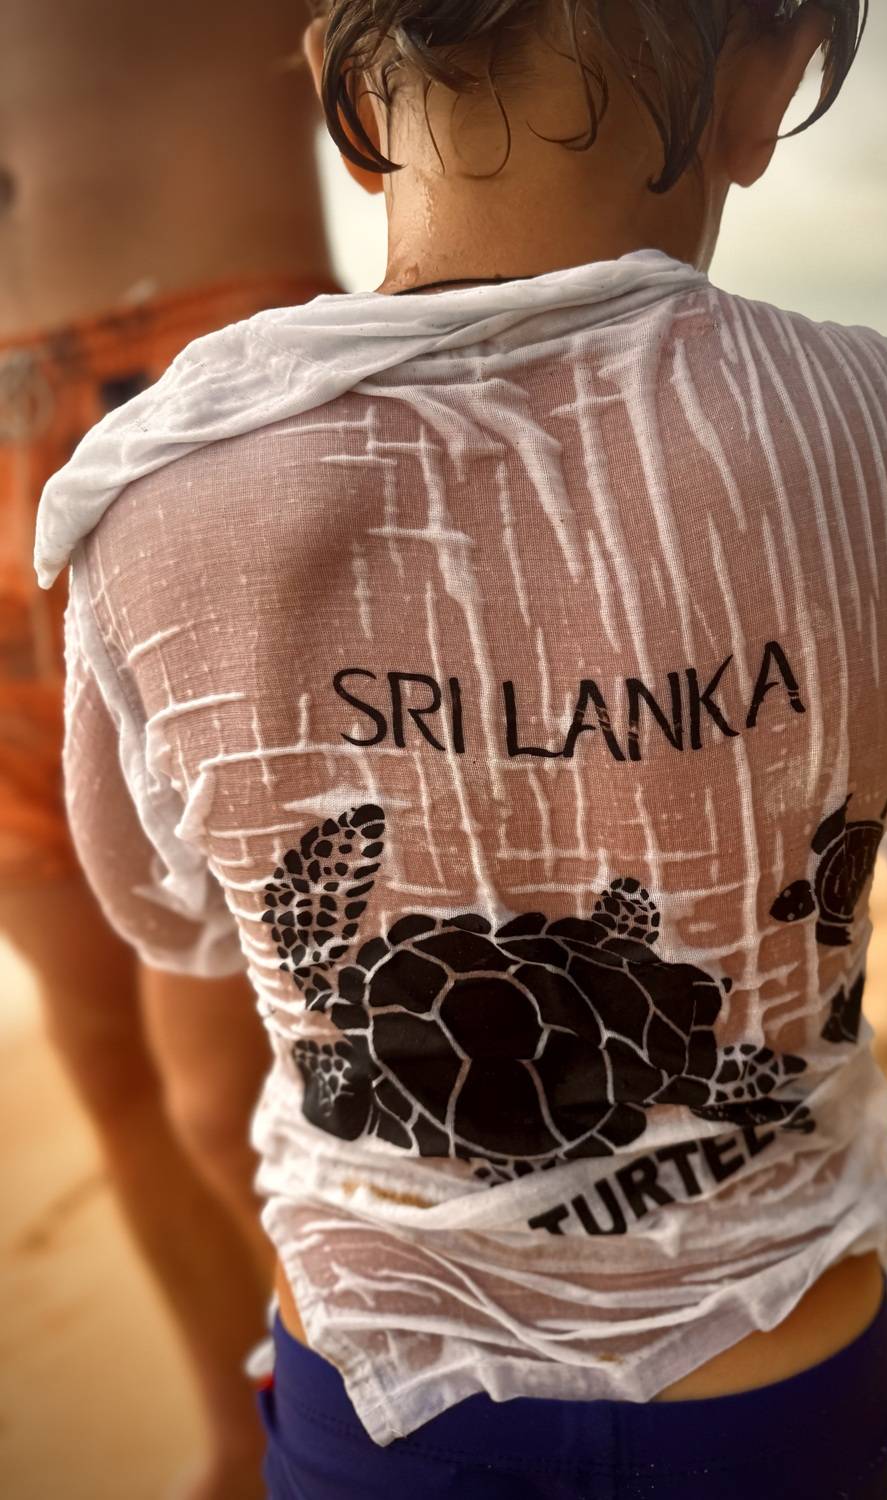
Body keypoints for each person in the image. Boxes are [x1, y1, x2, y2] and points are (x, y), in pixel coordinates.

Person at [34, 1, 887, 1496]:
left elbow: (163, 906)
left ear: (344, 102)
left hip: (386, 1375)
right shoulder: (870, 416)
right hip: (771, 1355)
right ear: (769, 79)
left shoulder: (159, 479)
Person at [0, 4, 339, 1496]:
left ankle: (383, 1442)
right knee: (111, 1073)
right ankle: (237, 1440)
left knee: (249, 1100)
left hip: (203, 370)